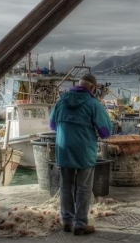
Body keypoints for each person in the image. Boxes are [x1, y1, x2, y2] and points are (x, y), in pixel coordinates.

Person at [49, 73, 112, 236]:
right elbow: (105, 132)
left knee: (65, 186)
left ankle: (67, 222)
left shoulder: (61, 101)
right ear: (92, 88)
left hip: (63, 149)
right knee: (83, 187)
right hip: (83, 150)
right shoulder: (93, 104)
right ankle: (80, 224)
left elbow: (52, 125)